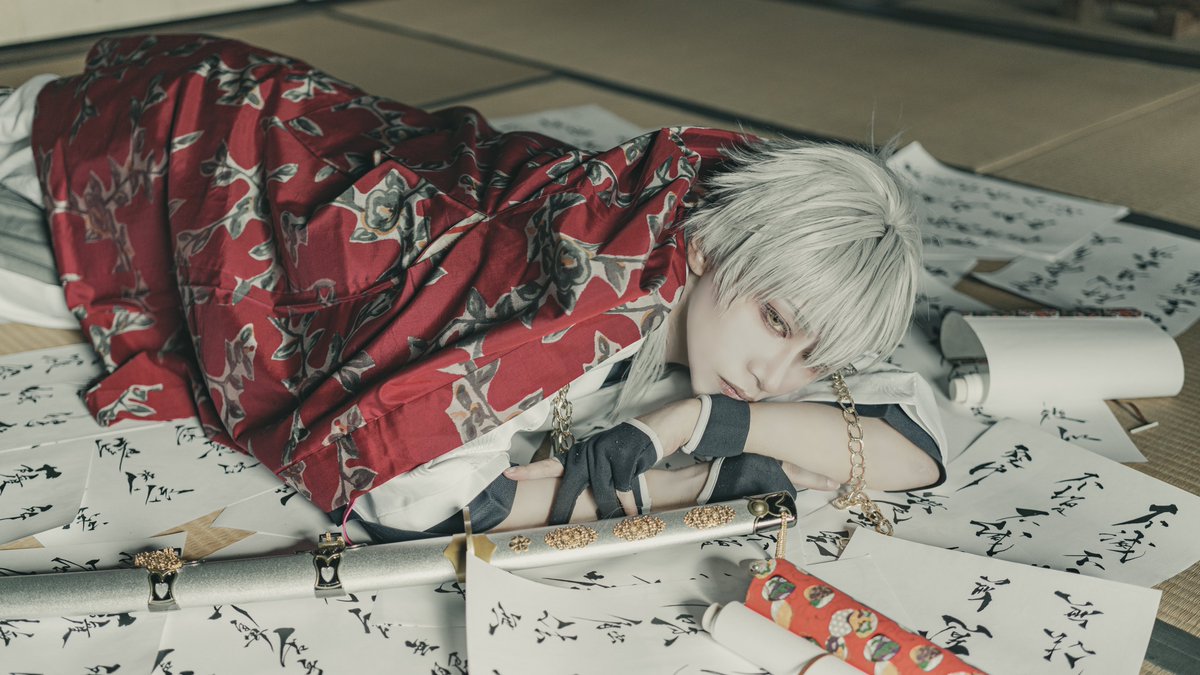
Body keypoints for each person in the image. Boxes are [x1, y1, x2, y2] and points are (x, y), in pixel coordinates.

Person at [1, 34, 945, 541]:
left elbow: (912, 442)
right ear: (708, 249)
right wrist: (701, 480)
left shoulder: (703, 239)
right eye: (777, 321)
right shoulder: (579, 308)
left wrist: (695, 423)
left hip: (304, 136)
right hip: (191, 158)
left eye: (814, 356)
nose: (780, 374)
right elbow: (414, 502)